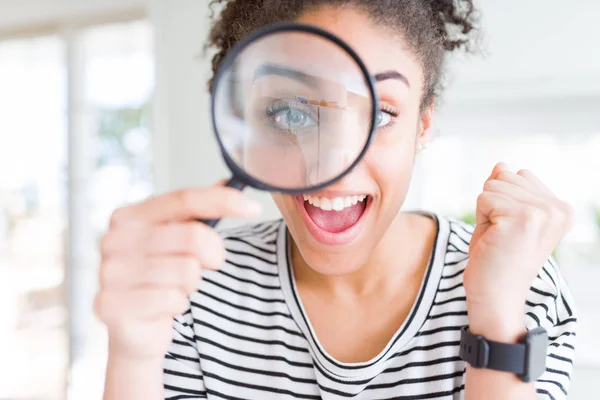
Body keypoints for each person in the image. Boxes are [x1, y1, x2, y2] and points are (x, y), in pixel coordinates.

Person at [95, 1, 578, 399]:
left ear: (423, 124)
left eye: (383, 114)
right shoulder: (189, 284)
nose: (332, 166)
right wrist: (133, 355)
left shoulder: (519, 284)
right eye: (289, 113)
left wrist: (496, 319)